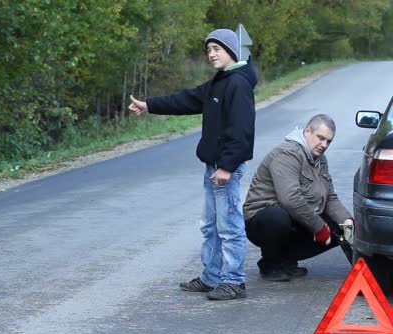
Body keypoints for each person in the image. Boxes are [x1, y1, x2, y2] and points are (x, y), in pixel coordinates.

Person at [128, 29, 258, 300]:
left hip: (225, 170)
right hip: (213, 168)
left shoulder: (238, 84)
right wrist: (149, 105)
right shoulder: (220, 81)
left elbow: (242, 132)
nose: (211, 54)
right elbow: (186, 99)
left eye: (217, 49)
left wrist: (226, 166)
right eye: (209, 49)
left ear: (232, 50)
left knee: (229, 225)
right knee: (210, 226)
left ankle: (234, 280)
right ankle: (212, 277)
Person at [243, 114, 354, 282]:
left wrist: (348, 222)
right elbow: (290, 199)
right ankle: (270, 263)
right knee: (278, 217)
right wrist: (319, 227)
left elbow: (329, 196)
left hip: (293, 218)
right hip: (262, 221)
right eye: (321, 138)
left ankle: (287, 261)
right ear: (307, 131)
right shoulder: (287, 154)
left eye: (328, 141)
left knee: (340, 227)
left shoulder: (320, 159)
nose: (324, 145)